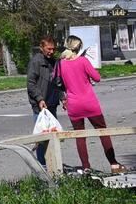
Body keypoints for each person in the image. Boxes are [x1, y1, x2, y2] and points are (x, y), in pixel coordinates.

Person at [57, 35, 125, 172]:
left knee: (80, 136)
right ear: (78, 47)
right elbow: (97, 78)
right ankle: (114, 164)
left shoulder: (61, 64)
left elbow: (59, 83)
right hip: (89, 102)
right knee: (103, 131)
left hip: (73, 104)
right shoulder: (83, 61)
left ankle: (86, 167)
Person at [26, 35, 61, 165]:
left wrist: (63, 98)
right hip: (40, 106)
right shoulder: (36, 62)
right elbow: (31, 83)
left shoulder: (54, 61)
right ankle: (42, 165)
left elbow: (57, 82)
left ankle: (53, 164)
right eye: (49, 49)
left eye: (53, 49)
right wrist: (39, 99)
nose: (51, 52)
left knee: (53, 135)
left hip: (51, 104)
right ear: (42, 48)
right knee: (42, 137)